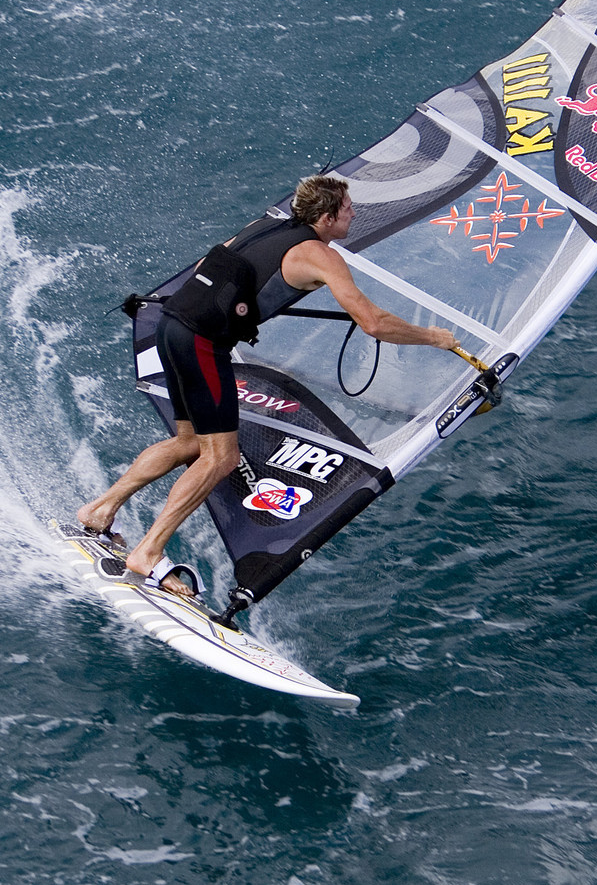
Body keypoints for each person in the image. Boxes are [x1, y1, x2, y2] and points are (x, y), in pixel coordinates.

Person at [76, 174, 457, 598]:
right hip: (203, 343)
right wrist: (435, 338)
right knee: (221, 458)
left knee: (188, 442)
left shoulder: (266, 225)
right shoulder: (321, 254)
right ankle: (147, 552)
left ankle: (99, 510)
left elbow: (211, 269)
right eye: (348, 208)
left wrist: (247, 308)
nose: (354, 213)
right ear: (328, 217)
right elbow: (374, 323)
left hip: (171, 326)